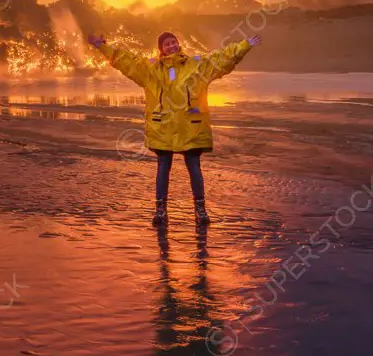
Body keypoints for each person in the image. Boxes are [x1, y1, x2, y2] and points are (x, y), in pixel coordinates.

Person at [87, 30, 262, 227]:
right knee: (163, 168)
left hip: (191, 127)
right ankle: (160, 211)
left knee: (194, 168)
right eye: (167, 44)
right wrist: (102, 46)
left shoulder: (196, 65)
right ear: (161, 49)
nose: (172, 46)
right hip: (163, 127)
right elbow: (127, 61)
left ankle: (200, 210)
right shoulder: (151, 69)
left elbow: (222, 59)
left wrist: (244, 45)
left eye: (174, 42)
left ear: (179, 44)